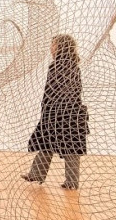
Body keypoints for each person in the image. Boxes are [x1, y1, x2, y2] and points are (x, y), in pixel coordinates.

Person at [22, 34, 89, 190]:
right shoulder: (74, 66)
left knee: (53, 143)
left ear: (60, 47)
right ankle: (64, 180)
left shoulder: (57, 66)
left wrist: (47, 112)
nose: (51, 48)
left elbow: (51, 93)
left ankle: (43, 175)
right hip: (71, 112)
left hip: (59, 112)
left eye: (53, 45)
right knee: (59, 145)